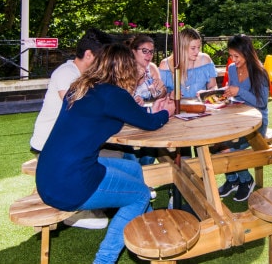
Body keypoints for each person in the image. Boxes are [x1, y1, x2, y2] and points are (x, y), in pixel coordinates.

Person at [36, 43, 175, 264]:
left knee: (133, 168)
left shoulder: (82, 87)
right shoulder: (113, 94)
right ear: (125, 68)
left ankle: (147, 224)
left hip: (49, 175)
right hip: (70, 184)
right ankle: (104, 261)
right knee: (140, 194)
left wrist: (151, 111)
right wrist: (167, 112)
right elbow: (149, 123)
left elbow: (128, 114)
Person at [29, 27, 113, 229]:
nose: (105, 63)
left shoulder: (85, 75)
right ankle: (77, 211)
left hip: (68, 143)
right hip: (50, 146)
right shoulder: (66, 73)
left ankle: (101, 201)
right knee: (111, 158)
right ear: (89, 55)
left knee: (118, 155)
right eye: (102, 58)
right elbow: (77, 107)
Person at [218, 34, 270, 202]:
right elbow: (235, 94)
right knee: (216, 145)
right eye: (231, 55)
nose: (233, 60)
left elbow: (262, 102)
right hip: (237, 118)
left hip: (257, 123)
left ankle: (246, 180)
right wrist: (227, 93)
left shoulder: (259, 72)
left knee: (230, 149)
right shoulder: (232, 68)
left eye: (236, 56)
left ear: (247, 53)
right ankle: (232, 179)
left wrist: (239, 91)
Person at [126, 34, 165, 166]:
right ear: (133, 51)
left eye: (151, 52)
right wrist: (136, 81)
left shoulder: (152, 68)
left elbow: (160, 95)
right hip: (128, 123)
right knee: (132, 159)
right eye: (144, 51)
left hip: (148, 117)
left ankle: (146, 175)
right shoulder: (124, 69)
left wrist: (160, 90)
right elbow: (119, 97)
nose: (149, 55)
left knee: (149, 156)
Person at [159, 27, 217, 99]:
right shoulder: (166, 65)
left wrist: (207, 93)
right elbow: (160, 95)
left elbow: (213, 87)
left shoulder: (205, 60)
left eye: (198, 47)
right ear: (182, 48)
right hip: (175, 105)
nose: (197, 51)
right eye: (193, 48)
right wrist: (169, 95)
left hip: (200, 105)